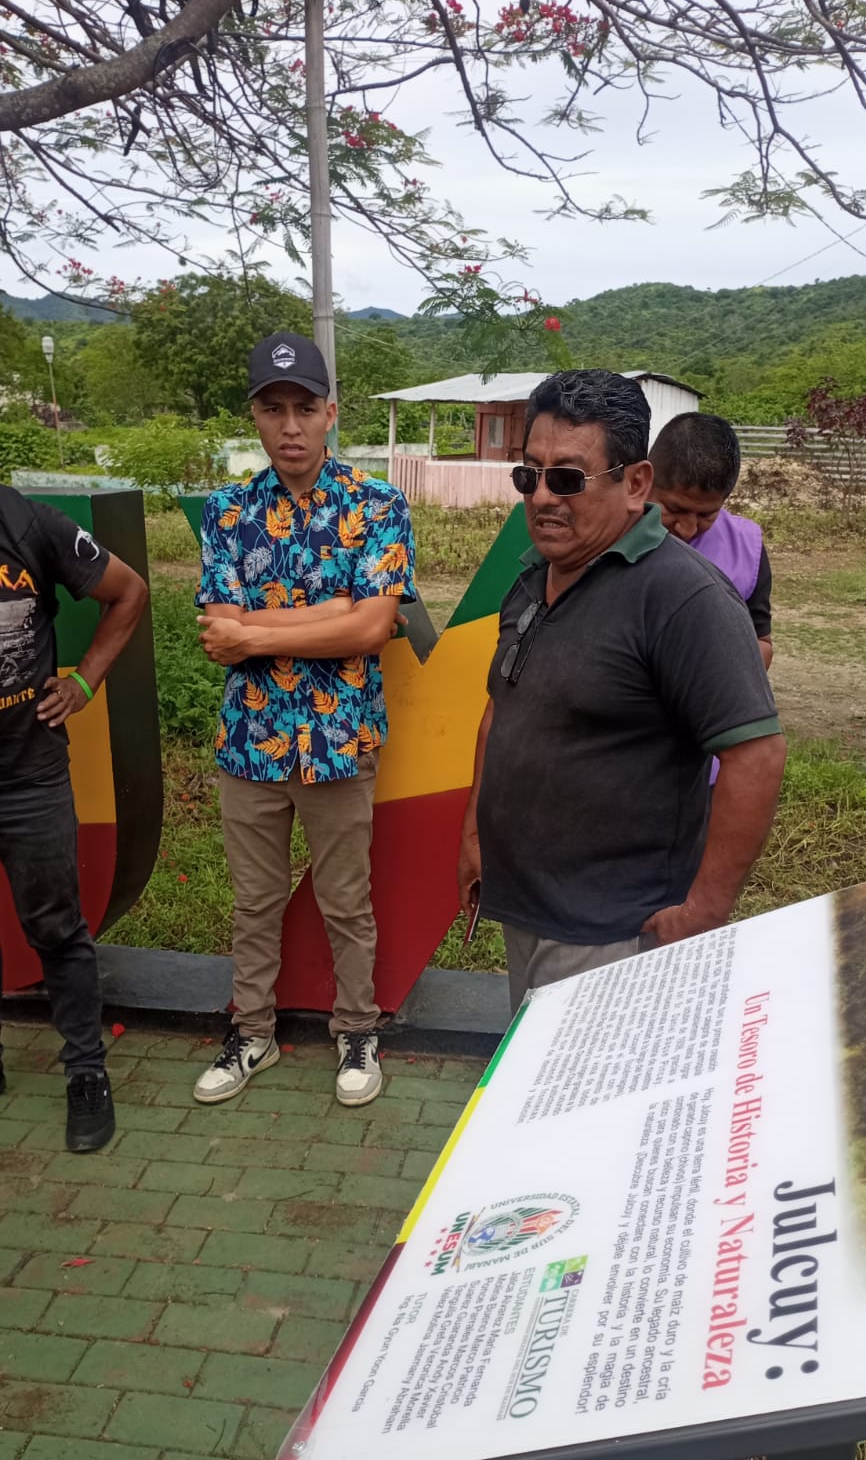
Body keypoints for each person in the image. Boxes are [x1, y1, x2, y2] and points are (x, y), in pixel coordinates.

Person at [457, 370, 786, 1014]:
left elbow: (757, 755)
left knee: (574, 1079)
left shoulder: (682, 598)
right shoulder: (533, 579)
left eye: (568, 478)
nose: (542, 497)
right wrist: (474, 832)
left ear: (636, 484)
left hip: (611, 929)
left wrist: (704, 909)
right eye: (530, 474)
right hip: (527, 905)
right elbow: (504, 709)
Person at [194, 331, 415, 1109]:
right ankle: (251, 1031)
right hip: (250, 743)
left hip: (338, 739)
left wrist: (259, 631)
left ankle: (356, 1030)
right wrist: (331, 613)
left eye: (304, 408)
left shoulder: (376, 505)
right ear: (255, 416)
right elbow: (219, 633)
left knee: (345, 900)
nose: (289, 425)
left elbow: (372, 630)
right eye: (272, 409)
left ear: (331, 413)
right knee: (254, 901)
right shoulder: (226, 513)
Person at [0, 487, 148, 1151]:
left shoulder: (25, 522)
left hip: (27, 777)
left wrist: (84, 681)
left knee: (56, 928)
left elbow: (129, 591)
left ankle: (86, 1072)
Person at [649, 413, 773, 670]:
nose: (687, 529)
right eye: (674, 508)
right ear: (643, 480)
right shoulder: (605, 535)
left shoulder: (747, 549)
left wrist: (712, 675)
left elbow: (761, 643)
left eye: (706, 514)